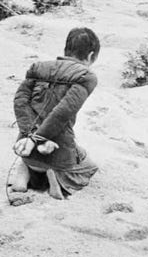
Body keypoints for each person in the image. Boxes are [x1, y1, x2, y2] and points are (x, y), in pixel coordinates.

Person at [10, 27, 100, 200]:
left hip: (25, 148)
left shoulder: (38, 67)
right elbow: (63, 111)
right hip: (56, 152)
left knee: (33, 158)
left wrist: (30, 136)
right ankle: (56, 178)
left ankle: (24, 172)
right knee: (88, 166)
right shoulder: (86, 76)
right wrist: (39, 139)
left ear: (66, 49)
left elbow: (20, 102)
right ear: (90, 56)